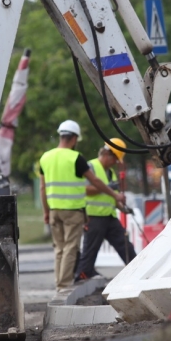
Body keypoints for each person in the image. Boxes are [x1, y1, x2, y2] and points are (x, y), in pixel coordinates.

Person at [39, 120, 125, 289]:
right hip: (73, 211)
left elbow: (42, 188)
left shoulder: (45, 157)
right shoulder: (75, 158)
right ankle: (63, 285)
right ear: (74, 139)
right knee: (71, 248)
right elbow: (95, 181)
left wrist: (46, 211)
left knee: (59, 248)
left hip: (54, 209)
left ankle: (59, 282)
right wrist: (114, 194)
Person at [75, 139, 137, 282]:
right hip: (94, 217)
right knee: (90, 251)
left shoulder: (111, 173)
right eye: (115, 159)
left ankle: (137, 270)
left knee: (125, 245)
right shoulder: (90, 167)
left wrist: (122, 207)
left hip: (109, 216)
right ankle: (83, 275)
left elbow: (111, 197)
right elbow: (85, 190)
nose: (116, 162)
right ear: (108, 154)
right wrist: (107, 187)